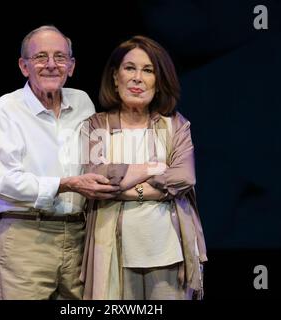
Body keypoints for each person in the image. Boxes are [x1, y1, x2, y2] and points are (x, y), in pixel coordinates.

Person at [0, 25, 119, 300]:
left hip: (81, 237)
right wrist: (67, 184)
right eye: (40, 57)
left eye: (60, 57)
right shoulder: (5, 109)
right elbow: (6, 182)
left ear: (71, 66)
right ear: (24, 66)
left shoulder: (83, 103)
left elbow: (98, 162)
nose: (50, 65)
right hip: (28, 237)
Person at [80, 36, 208, 300]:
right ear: (115, 77)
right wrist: (150, 169)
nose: (137, 78)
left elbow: (184, 177)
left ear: (159, 82)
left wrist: (121, 188)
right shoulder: (96, 125)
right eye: (130, 68)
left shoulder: (176, 126)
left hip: (168, 253)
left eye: (148, 70)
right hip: (112, 251)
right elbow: (95, 177)